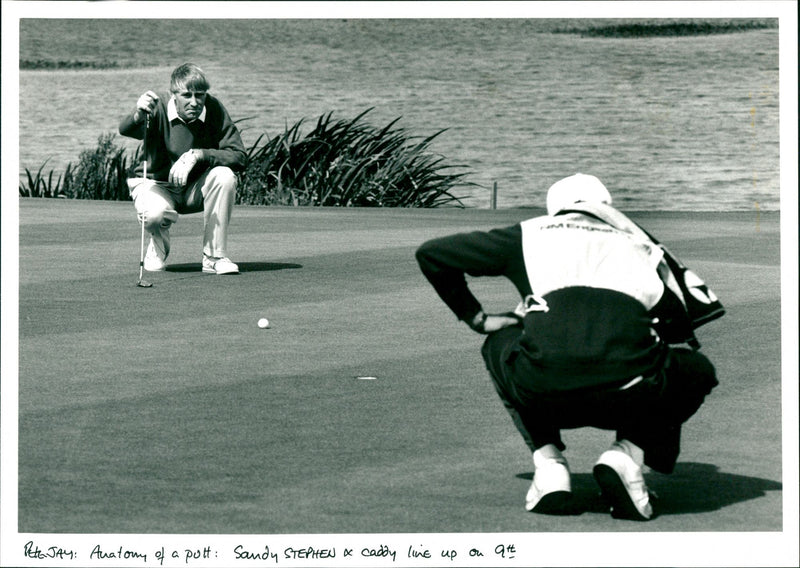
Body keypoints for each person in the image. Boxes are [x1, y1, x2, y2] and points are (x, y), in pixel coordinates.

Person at [415, 173, 723, 520]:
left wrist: (478, 319)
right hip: (627, 395)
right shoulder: (641, 245)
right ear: (606, 208)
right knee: (694, 368)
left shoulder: (529, 234)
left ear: (554, 210)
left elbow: (433, 254)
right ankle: (627, 454)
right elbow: (676, 331)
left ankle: (550, 467)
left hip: (544, 390)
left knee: (498, 342)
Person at [120, 63, 246, 274]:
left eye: (200, 95)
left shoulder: (214, 108)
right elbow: (126, 129)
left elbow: (240, 156)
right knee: (154, 215)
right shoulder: (157, 106)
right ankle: (157, 245)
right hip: (156, 185)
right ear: (174, 95)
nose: (195, 102)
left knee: (224, 176)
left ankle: (214, 257)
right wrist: (138, 113)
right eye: (187, 95)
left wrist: (200, 154)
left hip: (193, 190)